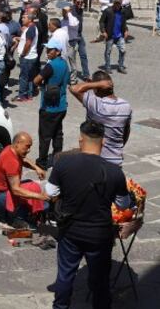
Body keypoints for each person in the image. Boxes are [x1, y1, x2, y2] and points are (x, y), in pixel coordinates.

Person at [45, 120, 134, 309]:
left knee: (65, 275)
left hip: (70, 231)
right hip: (100, 235)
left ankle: (60, 307)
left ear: (80, 140)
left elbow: (50, 192)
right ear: (103, 143)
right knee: (100, 280)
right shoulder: (114, 172)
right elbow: (123, 204)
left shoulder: (63, 164)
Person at [0, 131, 49, 227]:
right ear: (17, 143)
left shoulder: (11, 149)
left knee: (32, 185)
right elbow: (15, 190)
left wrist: (37, 168)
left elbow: (23, 159)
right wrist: (39, 196)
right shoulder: (11, 161)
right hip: (0, 196)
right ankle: (14, 219)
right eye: (27, 146)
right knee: (36, 196)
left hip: (2, 191)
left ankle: (30, 213)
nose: (29, 150)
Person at [71, 71, 132, 167]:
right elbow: (126, 132)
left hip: (97, 162)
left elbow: (74, 89)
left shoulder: (98, 106)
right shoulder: (126, 105)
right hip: (116, 160)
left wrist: (96, 84)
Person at [32, 41, 71, 168]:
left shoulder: (50, 66)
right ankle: (57, 157)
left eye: (50, 50)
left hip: (49, 108)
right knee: (57, 133)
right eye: (47, 49)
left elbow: (36, 80)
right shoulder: (65, 64)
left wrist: (42, 86)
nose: (47, 52)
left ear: (58, 51)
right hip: (62, 106)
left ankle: (42, 161)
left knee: (45, 135)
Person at [96, 0, 130, 74]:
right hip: (110, 35)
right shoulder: (107, 11)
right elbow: (101, 22)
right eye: (116, 3)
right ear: (114, 3)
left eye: (119, 3)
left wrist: (126, 30)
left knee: (123, 51)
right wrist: (103, 31)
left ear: (121, 4)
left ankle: (120, 66)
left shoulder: (123, 11)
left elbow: (124, 22)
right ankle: (108, 67)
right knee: (108, 52)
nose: (117, 5)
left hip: (120, 35)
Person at [13, 12, 39, 102]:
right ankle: (29, 94)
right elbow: (26, 40)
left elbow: (28, 43)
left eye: (24, 18)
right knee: (29, 77)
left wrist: (23, 54)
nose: (22, 19)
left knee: (24, 77)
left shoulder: (30, 29)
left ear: (30, 20)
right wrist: (18, 38)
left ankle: (22, 95)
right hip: (31, 56)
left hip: (27, 57)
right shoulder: (30, 28)